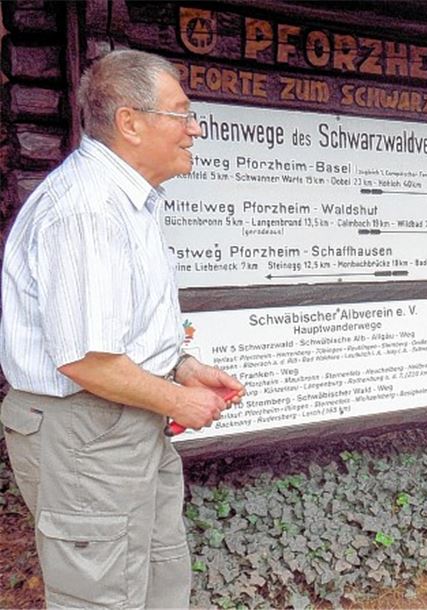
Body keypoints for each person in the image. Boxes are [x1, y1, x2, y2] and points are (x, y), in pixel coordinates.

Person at [0, 49, 245, 607]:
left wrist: (182, 368)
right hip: (87, 433)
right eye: (181, 114)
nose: (195, 128)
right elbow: (86, 361)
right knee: (103, 596)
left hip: (121, 424)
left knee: (157, 577)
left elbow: (116, 335)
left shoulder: (125, 201)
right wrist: (180, 402)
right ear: (130, 122)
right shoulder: (88, 210)